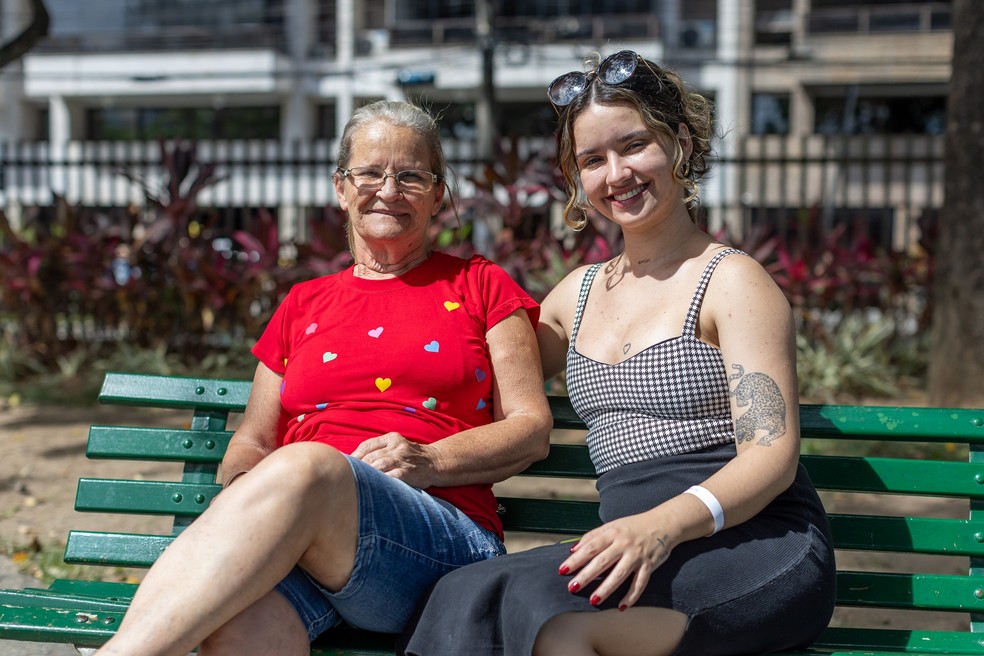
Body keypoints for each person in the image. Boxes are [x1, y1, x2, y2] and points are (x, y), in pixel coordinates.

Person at [400, 50, 836, 656]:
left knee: (554, 623)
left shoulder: (732, 282)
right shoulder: (575, 296)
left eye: (634, 146)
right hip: (630, 545)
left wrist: (660, 526)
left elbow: (771, 457)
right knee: (463, 595)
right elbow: (469, 374)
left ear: (680, 143)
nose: (616, 174)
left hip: (753, 542)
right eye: (592, 160)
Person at [95, 100, 553, 656]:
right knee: (235, 626)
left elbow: (530, 427)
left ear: (437, 195)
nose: (389, 190)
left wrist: (429, 460)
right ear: (341, 188)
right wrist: (250, 503)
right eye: (370, 173)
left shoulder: (482, 286)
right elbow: (254, 442)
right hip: (301, 539)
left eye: (411, 176)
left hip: (436, 543)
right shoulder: (302, 303)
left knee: (310, 467)